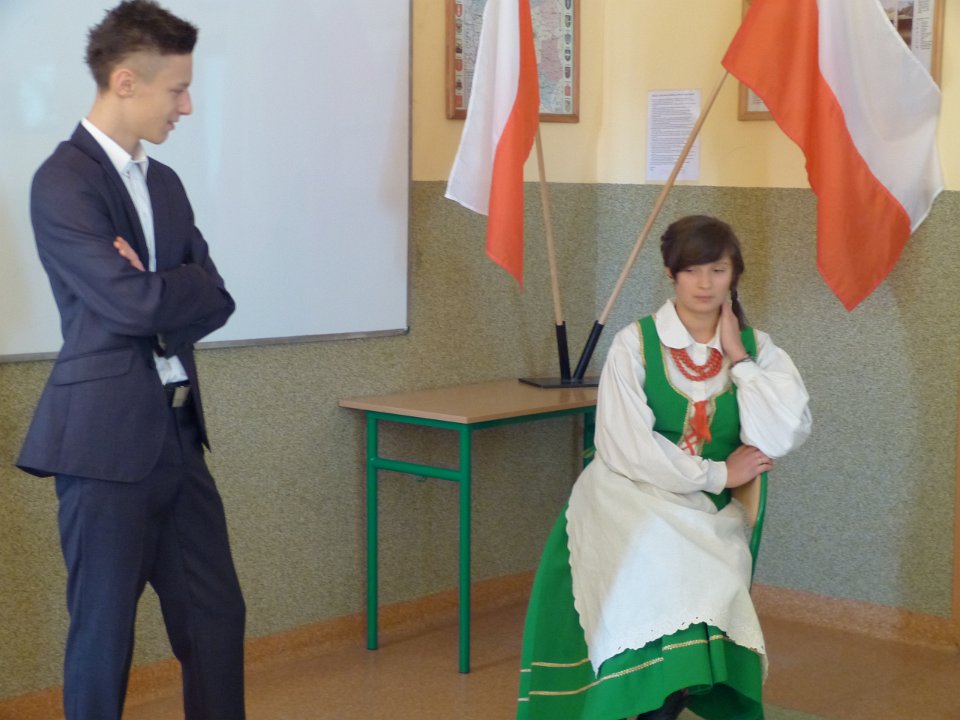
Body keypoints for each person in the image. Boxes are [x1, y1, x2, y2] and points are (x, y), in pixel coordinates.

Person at [16, 2, 246, 718]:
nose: (187, 105)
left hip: (180, 435)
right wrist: (167, 287)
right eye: (177, 89)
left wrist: (154, 284)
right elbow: (133, 307)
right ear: (125, 81)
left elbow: (219, 298)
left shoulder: (166, 183)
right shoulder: (63, 182)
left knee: (217, 619)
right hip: (104, 446)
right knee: (103, 635)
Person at [516, 215, 812, 720]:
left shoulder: (758, 348)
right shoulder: (635, 343)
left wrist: (739, 360)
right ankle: (652, 700)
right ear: (671, 273)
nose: (704, 283)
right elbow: (627, 446)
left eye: (717, 270)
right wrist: (719, 474)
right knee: (663, 560)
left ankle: (665, 701)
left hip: (708, 508)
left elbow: (784, 431)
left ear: (734, 275)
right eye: (692, 270)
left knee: (694, 572)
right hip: (626, 492)